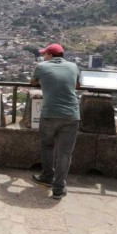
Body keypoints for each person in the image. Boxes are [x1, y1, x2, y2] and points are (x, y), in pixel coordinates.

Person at [30, 43, 80, 199]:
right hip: (71, 114)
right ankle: (59, 188)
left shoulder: (41, 66)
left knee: (47, 146)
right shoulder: (73, 66)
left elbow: (33, 83)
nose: (43, 56)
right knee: (65, 153)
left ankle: (47, 176)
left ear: (50, 55)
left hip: (50, 113)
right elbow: (77, 85)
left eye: (45, 54)